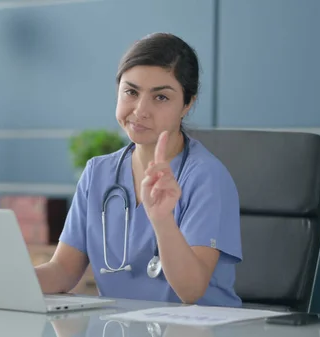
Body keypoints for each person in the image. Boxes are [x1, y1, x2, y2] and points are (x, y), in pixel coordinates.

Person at [35, 32, 242, 307]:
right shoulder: (98, 172)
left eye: (161, 98)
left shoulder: (206, 177)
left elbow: (191, 291)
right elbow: (63, 271)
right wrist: (3, 280)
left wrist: (162, 220)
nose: (140, 110)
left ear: (187, 104)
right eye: (131, 92)